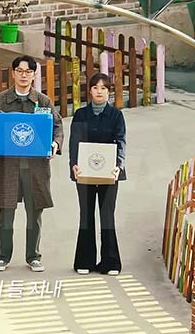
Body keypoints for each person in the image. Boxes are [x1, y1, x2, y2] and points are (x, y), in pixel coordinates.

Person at [0, 55, 63, 273]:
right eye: (20, 71)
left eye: (28, 71)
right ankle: (2, 256)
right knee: (6, 212)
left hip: (35, 167)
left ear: (34, 75)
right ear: (13, 73)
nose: (24, 75)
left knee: (34, 212)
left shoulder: (43, 102)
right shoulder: (0, 101)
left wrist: (55, 144)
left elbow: (57, 125)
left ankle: (33, 256)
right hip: (8, 165)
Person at [69, 73, 126, 276]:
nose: (99, 91)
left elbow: (121, 141)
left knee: (107, 215)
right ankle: (85, 261)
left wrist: (119, 165)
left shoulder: (116, 115)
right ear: (90, 91)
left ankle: (111, 263)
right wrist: (74, 165)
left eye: (103, 88)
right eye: (95, 87)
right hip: (84, 172)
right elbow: (74, 142)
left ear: (109, 92)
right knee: (86, 215)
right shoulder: (80, 114)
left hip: (109, 172)